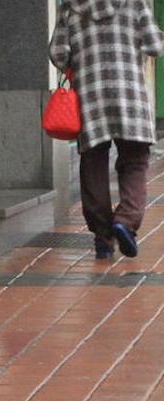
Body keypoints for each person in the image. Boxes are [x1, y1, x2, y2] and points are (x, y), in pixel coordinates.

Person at [50, 0, 164, 259]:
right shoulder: (135, 3)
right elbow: (154, 47)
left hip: (90, 98)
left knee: (93, 164)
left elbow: (58, 53)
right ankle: (125, 221)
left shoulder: (70, 5)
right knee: (134, 162)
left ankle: (103, 238)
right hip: (130, 96)